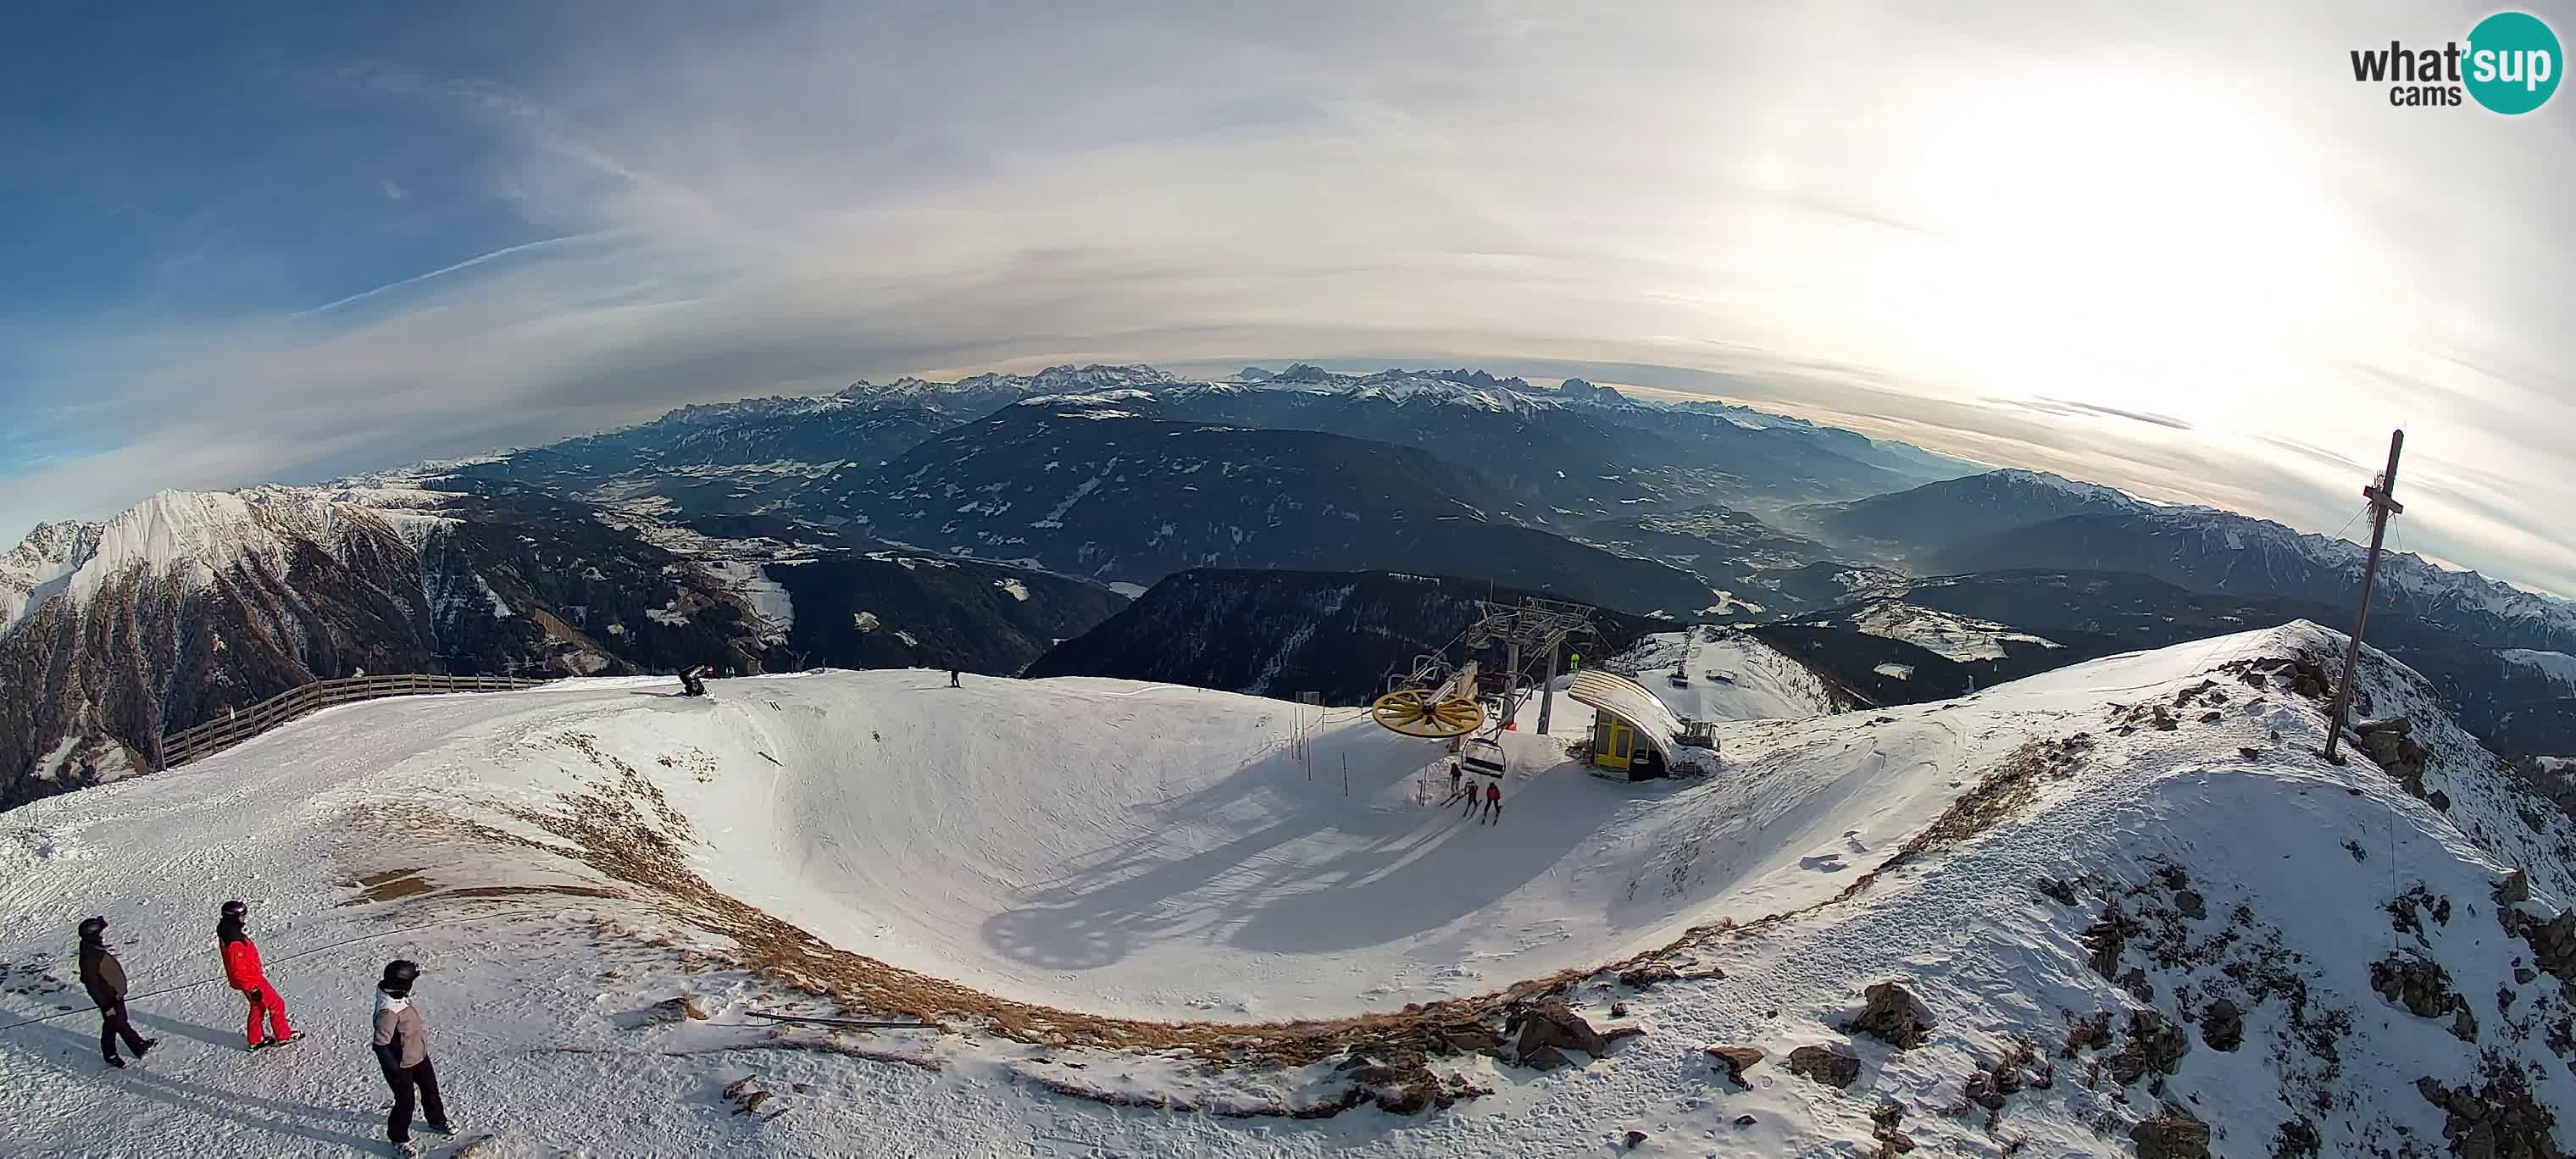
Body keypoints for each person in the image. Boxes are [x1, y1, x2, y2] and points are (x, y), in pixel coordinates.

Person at [374, 959, 452, 1151]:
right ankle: (398, 1138)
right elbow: (381, 1046)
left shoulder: (398, 996)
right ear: (401, 984)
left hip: (419, 1056)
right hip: (401, 1065)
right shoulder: (388, 1013)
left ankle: (436, 1120)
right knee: (405, 1103)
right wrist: (395, 1072)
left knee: (431, 1091)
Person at [78, 917, 155, 1068]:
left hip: (114, 995)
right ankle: (110, 1055)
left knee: (120, 1021)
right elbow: (92, 986)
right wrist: (106, 1006)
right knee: (111, 1026)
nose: (102, 935)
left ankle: (138, 1046)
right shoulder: (90, 956)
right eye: (99, 932)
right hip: (109, 999)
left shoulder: (93, 948)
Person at [218, 901, 293, 1050]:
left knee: (258, 1006)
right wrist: (252, 988)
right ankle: (284, 1036)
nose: (244, 918)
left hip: (251, 978)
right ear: (233, 917)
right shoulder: (233, 940)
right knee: (277, 1004)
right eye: (242, 916)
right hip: (251, 980)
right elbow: (238, 969)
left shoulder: (229, 930)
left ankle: (256, 1039)